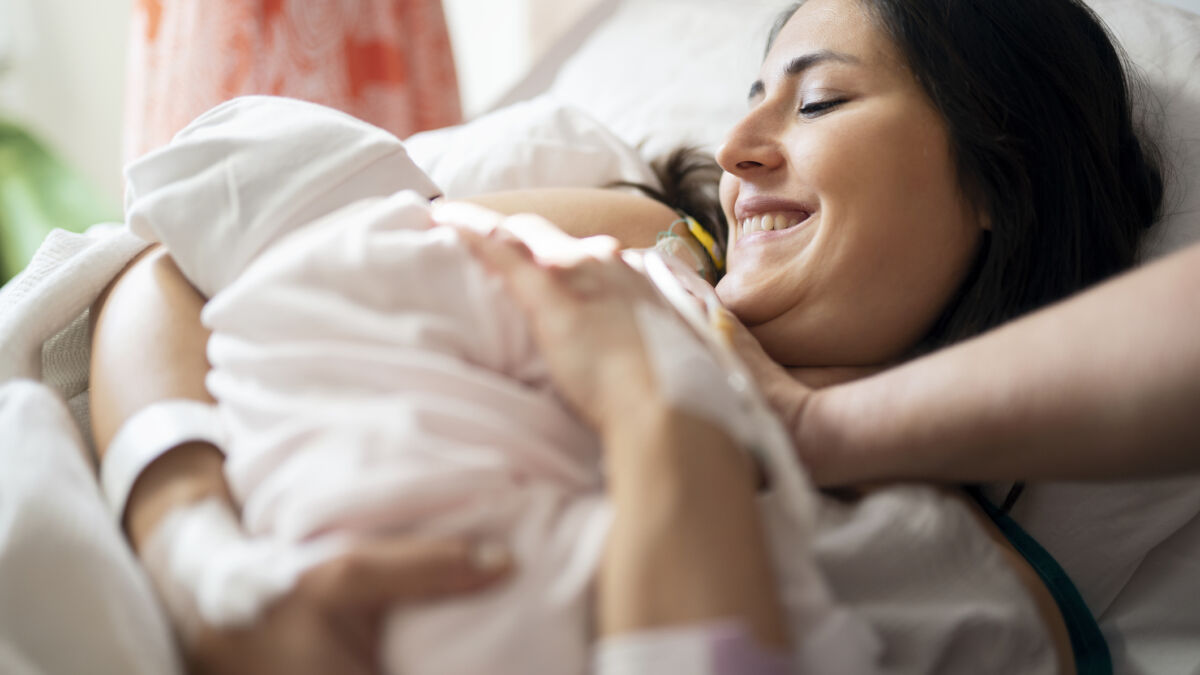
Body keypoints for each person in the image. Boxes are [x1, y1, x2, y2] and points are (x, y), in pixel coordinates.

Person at [89, 0, 1200, 672]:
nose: (740, 144)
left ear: (999, 172)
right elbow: (173, 265)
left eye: (819, 105)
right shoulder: (656, 246)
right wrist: (194, 554)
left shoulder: (972, 589)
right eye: (754, 97)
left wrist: (671, 426)